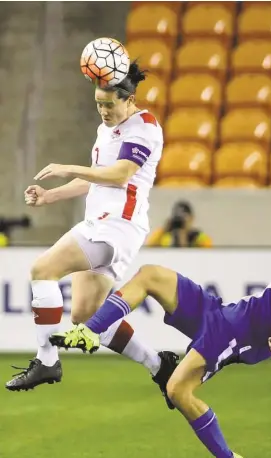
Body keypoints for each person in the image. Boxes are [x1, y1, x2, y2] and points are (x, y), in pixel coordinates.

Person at [49, 226, 271, 458]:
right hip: (220, 313)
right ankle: (89, 332)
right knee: (150, 276)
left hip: (233, 335)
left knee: (177, 391)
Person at [5, 60, 179, 406]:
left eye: (110, 104)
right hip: (102, 223)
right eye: (99, 104)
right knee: (86, 315)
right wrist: (51, 195)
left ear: (129, 100)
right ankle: (159, 364)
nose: (103, 110)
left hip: (116, 225)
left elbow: (119, 175)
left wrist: (67, 166)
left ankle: (47, 361)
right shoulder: (107, 130)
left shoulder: (144, 126)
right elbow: (94, 177)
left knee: (43, 270)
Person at [146, 200, 212, 248]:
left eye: (183, 218)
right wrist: (164, 229)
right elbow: (149, 247)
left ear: (192, 218)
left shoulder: (199, 237)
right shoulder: (166, 237)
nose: (180, 221)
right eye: (177, 218)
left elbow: (208, 255)